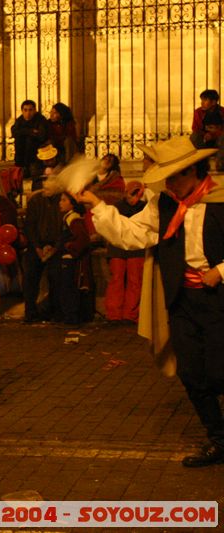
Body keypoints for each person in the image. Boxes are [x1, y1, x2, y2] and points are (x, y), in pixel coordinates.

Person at [76, 136, 224, 468]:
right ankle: (218, 438)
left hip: (219, 300)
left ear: (195, 170)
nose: (171, 184)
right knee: (191, 372)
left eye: (177, 176)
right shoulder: (165, 204)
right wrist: (96, 205)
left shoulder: (220, 199)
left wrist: (220, 269)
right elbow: (131, 233)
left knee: (219, 372)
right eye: (167, 177)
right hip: (183, 299)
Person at [104, 181, 147, 323]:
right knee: (118, 280)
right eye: (131, 193)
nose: (134, 198)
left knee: (134, 281)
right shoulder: (118, 207)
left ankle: (129, 314)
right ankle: (115, 314)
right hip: (120, 248)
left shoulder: (143, 207)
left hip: (134, 249)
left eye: (137, 194)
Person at [22, 177, 63, 323]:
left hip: (56, 246)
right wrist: (38, 247)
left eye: (48, 185)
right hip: (37, 245)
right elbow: (29, 226)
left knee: (56, 276)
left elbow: (63, 227)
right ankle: (30, 312)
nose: (45, 187)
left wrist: (54, 247)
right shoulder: (36, 201)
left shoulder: (61, 200)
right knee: (30, 277)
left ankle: (55, 311)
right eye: (44, 185)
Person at [54, 192, 91, 325]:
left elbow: (83, 239)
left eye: (64, 200)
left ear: (72, 203)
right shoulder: (68, 217)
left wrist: (69, 247)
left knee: (69, 289)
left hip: (71, 260)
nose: (60, 203)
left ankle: (72, 318)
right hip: (68, 258)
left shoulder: (73, 219)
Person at [11, 100, 49, 180]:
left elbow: (41, 136)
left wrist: (24, 132)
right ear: (22, 111)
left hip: (37, 148)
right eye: (25, 110)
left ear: (35, 110)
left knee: (29, 140)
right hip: (22, 150)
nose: (28, 113)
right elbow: (14, 132)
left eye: (30, 110)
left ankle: (27, 168)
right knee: (19, 140)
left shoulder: (41, 120)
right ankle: (20, 167)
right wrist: (30, 131)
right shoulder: (20, 120)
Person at [190, 89, 224, 169]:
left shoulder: (222, 112)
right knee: (194, 137)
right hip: (204, 139)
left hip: (218, 139)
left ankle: (220, 164)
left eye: (205, 100)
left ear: (213, 102)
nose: (202, 103)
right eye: (202, 100)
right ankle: (197, 164)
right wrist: (205, 134)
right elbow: (195, 128)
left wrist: (213, 135)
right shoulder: (198, 112)